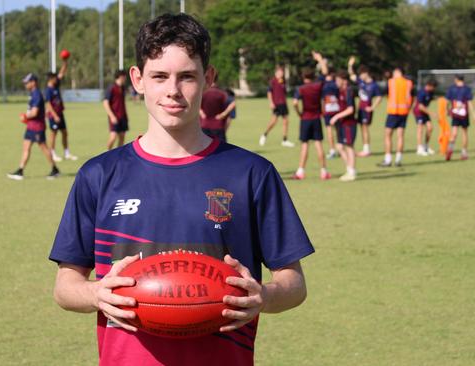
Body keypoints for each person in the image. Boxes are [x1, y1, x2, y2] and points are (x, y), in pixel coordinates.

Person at [50, 13, 313, 366]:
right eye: (159, 76)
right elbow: (65, 286)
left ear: (209, 78)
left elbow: (293, 283)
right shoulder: (99, 175)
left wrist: (263, 295)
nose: (172, 90)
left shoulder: (251, 173)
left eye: (187, 76)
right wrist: (97, 294)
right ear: (138, 79)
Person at [7, 73, 59, 180]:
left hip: (37, 127)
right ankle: (20, 170)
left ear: (33, 82)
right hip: (31, 126)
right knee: (26, 148)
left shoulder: (36, 94)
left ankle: (55, 169)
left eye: (27, 82)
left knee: (44, 148)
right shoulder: (33, 93)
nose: (25, 84)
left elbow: (35, 112)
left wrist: (25, 116)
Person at [290, 53, 330, 180]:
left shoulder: (300, 89)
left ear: (303, 77)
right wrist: (319, 59)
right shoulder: (317, 86)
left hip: (305, 119)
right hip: (316, 118)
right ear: (313, 77)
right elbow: (325, 72)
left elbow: (295, 103)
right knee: (318, 144)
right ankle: (323, 171)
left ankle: (300, 171)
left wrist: (299, 113)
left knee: (305, 145)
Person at [378, 67, 414, 167]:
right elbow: (412, 97)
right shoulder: (409, 83)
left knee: (388, 135)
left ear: (398, 72)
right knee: (400, 136)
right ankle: (398, 159)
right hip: (404, 112)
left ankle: (388, 159)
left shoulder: (391, 82)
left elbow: (383, 93)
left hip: (393, 112)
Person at [45, 59, 78, 162]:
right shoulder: (48, 90)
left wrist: (65, 63)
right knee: (53, 134)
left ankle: (67, 153)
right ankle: (53, 153)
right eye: (55, 78)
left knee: (64, 132)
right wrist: (55, 116)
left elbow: (61, 74)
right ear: (50, 79)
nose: (57, 79)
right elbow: (48, 104)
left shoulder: (56, 85)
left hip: (60, 114)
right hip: (53, 115)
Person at [348, 57, 382, 157]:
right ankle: (364, 148)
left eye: (362, 74)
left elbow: (379, 97)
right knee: (362, 128)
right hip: (360, 108)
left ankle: (367, 149)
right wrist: (350, 65)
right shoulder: (361, 82)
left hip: (367, 109)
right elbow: (351, 75)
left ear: (366, 73)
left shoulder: (373, 85)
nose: (360, 76)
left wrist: (372, 107)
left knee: (365, 128)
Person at [329, 71, 358, 182]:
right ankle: (350, 169)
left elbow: (351, 109)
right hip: (342, 124)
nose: (336, 82)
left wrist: (336, 116)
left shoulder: (348, 91)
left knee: (349, 147)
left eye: (338, 80)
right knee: (340, 147)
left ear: (344, 80)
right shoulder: (340, 91)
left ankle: (351, 171)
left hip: (349, 124)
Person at [259, 66, 294, 147]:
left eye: (282, 72)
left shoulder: (283, 81)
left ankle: (285, 140)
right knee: (274, 121)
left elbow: (284, 93)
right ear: (276, 73)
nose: (281, 73)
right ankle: (264, 135)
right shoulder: (273, 81)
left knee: (286, 121)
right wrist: (271, 103)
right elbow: (269, 92)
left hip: (283, 104)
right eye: (280, 72)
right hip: (276, 104)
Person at [445, 75, 475, 161]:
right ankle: (464, 153)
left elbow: (448, 101)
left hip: (455, 114)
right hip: (464, 114)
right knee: (464, 133)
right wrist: (474, 113)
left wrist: (447, 110)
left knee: (454, 133)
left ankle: (450, 150)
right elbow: (469, 102)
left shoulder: (452, 88)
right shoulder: (467, 89)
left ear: (457, 79)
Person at [199, 74, 233, 142]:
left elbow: (194, 104)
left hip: (204, 124)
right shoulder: (222, 94)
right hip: (218, 125)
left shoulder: (202, 93)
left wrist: (201, 113)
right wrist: (223, 114)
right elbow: (232, 103)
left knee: (205, 149)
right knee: (221, 150)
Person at [103, 70, 129, 150]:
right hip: (114, 116)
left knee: (122, 137)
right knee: (113, 137)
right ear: (121, 77)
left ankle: (118, 156)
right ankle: (107, 154)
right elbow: (105, 102)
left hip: (123, 116)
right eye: (124, 76)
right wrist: (112, 116)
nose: (125, 78)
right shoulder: (112, 88)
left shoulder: (123, 88)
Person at [413, 79, 438, 156]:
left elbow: (431, 97)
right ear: (429, 86)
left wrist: (440, 100)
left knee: (430, 128)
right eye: (434, 87)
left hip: (425, 112)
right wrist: (431, 113)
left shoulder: (430, 92)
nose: (434, 89)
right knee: (420, 129)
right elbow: (420, 106)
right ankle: (419, 148)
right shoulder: (421, 92)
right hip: (418, 112)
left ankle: (426, 146)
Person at [321, 67, 339, 159]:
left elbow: (323, 99)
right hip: (336, 108)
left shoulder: (324, 84)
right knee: (337, 129)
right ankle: (340, 147)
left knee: (329, 130)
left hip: (328, 108)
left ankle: (332, 150)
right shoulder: (336, 83)